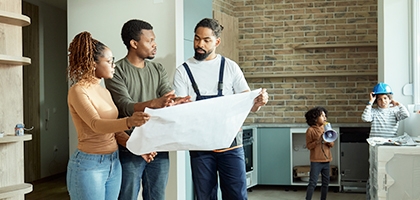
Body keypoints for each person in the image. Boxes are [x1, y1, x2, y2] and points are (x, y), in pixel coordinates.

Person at [172, 18, 268, 200]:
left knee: (237, 195)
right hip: (200, 144)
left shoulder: (231, 67)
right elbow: (180, 111)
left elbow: (249, 104)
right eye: (196, 38)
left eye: (206, 40)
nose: (200, 44)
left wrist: (259, 102)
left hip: (231, 143)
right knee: (204, 195)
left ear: (217, 42)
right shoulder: (183, 71)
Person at [104, 19, 190, 200]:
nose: (154, 44)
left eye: (154, 40)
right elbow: (125, 106)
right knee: (127, 196)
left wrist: (176, 102)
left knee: (157, 196)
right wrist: (155, 103)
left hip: (158, 143)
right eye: (150, 40)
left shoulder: (158, 69)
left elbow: (166, 97)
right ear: (134, 44)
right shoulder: (116, 71)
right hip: (131, 145)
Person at [66, 31, 153, 200]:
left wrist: (137, 148)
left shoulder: (104, 91)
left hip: (114, 162)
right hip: (89, 165)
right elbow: (96, 124)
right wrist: (129, 121)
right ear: (93, 64)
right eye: (109, 61)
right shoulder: (78, 90)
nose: (114, 65)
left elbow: (113, 130)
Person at [361, 82, 409, 200]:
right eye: (379, 99)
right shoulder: (374, 112)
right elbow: (365, 118)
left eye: (385, 98)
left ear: (390, 99)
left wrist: (398, 104)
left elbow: (406, 115)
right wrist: (370, 102)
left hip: (390, 145)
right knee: (373, 172)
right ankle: (372, 197)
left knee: (388, 172)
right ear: (376, 101)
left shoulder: (395, 111)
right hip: (376, 146)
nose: (383, 101)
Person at [304, 106, 334, 200]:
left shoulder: (326, 128)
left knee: (326, 183)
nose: (325, 118)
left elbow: (331, 144)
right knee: (313, 182)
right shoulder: (310, 130)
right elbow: (309, 146)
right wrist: (318, 140)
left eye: (325, 116)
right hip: (316, 161)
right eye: (322, 116)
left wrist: (328, 140)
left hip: (326, 160)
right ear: (315, 118)